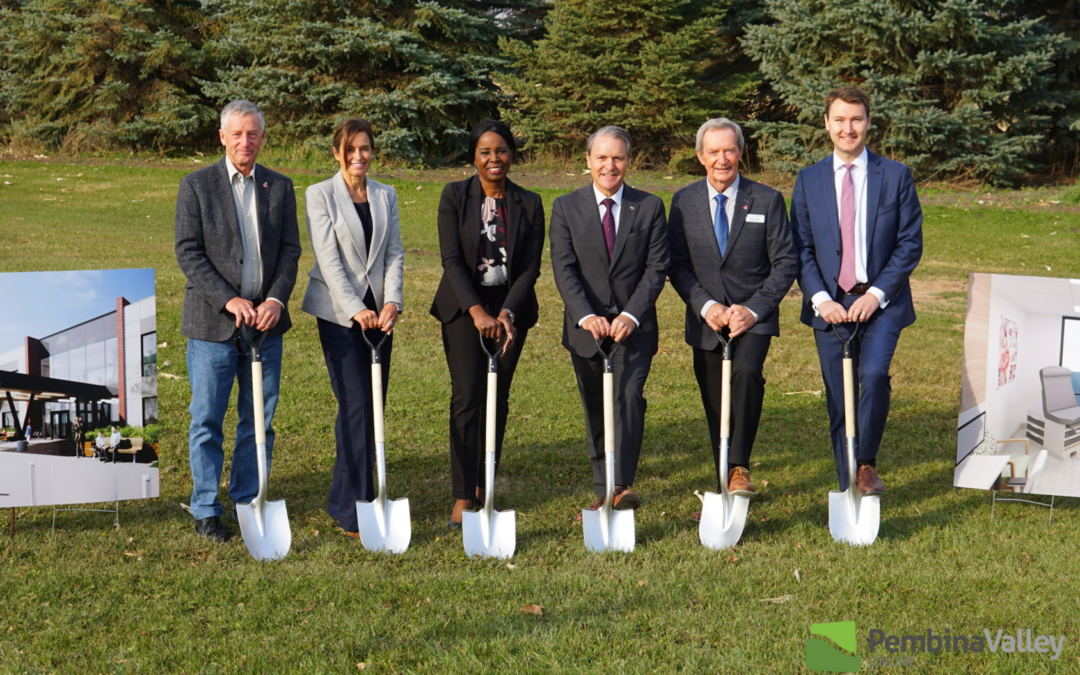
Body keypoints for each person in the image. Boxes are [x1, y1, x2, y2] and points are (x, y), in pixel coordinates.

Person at [175, 100, 302, 542]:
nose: (245, 141)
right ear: (222, 137)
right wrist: (229, 299)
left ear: (263, 138)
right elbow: (188, 252)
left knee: (258, 420)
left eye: (253, 134)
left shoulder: (280, 187)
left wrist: (275, 300)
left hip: (265, 325)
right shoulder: (196, 186)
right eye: (237, 134)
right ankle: (206, 507)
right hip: (213, 323)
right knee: (206, 418)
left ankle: (248, 498)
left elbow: (290, 252)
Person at [789, 86, 923, 495]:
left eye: (857, 119)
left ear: (868, 123)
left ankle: (866, 464)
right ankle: (848, 479)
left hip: (880, 301)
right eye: (840, 120)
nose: (849, 129)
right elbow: (801, 246)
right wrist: (821, 299)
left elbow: (909, 242)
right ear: (827, 124)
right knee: (838, 393)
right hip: (829, 304)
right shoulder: (809, 179)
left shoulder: (895, 175)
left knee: (873, 374)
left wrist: (876, 293)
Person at [667, 118, 797, 520]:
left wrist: (752, 308)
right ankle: (723, 474)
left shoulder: (767, 199)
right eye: (713, 151)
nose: (721, 159)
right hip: (706, 318)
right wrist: (707, 307)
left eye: (729, 150)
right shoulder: (683, 202)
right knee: (713, 399)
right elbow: (677, 264)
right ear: (699, 156)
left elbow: (785, 262)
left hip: (752, 316)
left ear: (741, 152)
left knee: (745, 374)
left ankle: (739, 465)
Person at [549, 126, 669, 521]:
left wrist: (631, 315)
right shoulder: (566, 207)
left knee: (628, 399)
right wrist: (586, 316)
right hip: (587, 332)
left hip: (634, 329)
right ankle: (605, 487)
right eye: (601, 157)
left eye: (617, 157)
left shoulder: (649, 207)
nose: (609, 165)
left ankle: (621, 486)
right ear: (588, 161)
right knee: (597, 409)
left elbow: (656, 268)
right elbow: (564, 269)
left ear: (628, 161)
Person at [430, 120, 545, 528]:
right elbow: (451, 259)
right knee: (467, 396)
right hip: (464, 308)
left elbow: (531, 267)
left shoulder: (530, 203)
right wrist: (477, 312)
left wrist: (506, 314)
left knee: (497, 397)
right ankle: (463, 493)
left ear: (512, 154)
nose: (494, 158)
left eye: (501, 150)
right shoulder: (455, 196)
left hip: (510, 309)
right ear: (473, 156)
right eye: (485, 151)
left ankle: (486, 486)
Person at [302, 118, 405, 538]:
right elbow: (328, 259)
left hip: (381, 316)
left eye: (365, 148)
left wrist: (392, 301)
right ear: (337, 153)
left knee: (371, 407)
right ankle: (357, 507)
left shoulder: (386, 195)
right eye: (351, 149)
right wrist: (354, 309)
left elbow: (395, 251)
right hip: (339, 315)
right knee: (357, 404)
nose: (359, 156)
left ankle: (344, 498)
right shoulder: (319, 194)